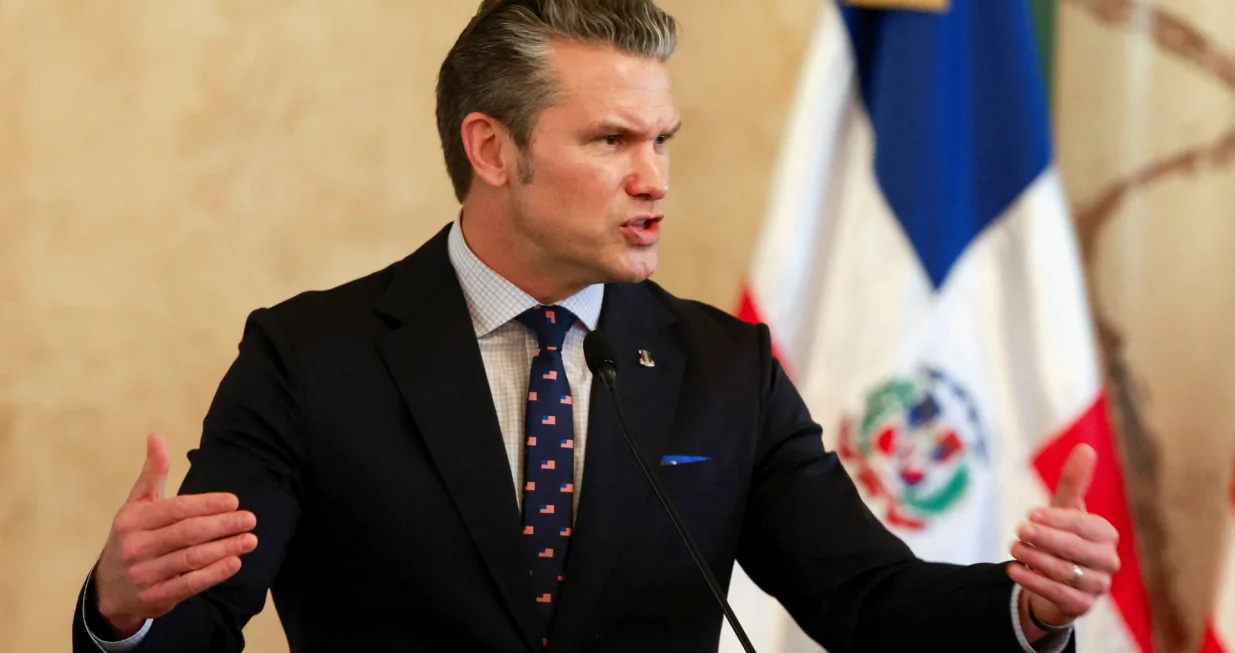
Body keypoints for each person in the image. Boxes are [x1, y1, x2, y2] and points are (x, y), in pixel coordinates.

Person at [72, 1, 1121, 651]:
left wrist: (1025, 610)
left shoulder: (725, 367)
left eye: (662, 138)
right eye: (612, 139)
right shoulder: (308, 358)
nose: (654, 179)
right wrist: (125, 613)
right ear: (492, 148)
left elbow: (869, 602)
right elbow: (200, 618)